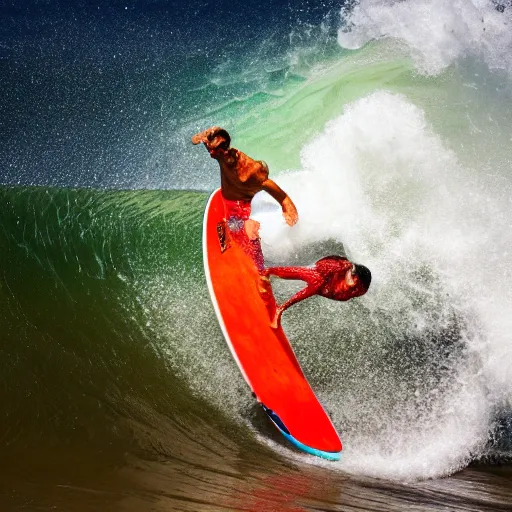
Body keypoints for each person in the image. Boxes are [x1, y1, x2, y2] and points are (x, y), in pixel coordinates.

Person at [192, 126, 298, 271]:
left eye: (213, 149)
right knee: (231, 230)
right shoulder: (219, 153)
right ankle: (243, 243)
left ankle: (260, 271)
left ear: (224, 148)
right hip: (229, 204)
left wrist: (287, 205)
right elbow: (202, 140)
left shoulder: (250, 171)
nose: (211, 153)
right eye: (210, 149)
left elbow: (279, 193)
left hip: (245, 208)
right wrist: (201, 138)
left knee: (245, 233)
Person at [266, 256, 371, 328]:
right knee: (316, 280)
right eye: (353, 277)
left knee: (317, 283)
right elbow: (316, 268)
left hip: (326, 286)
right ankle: (270, 272)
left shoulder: (355, 291)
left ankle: (271, 273)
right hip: (319, 272)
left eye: (356, 282)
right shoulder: (339, 267)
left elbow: (359, 287)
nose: (352, 283)